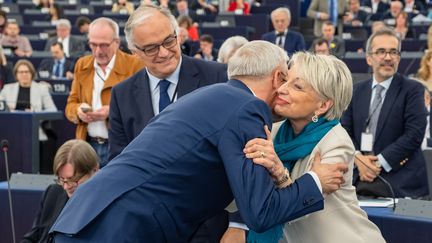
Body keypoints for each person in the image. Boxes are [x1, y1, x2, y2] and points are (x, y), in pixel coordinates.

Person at [50, 40, 348, 243]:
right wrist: (314, 182)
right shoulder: (247, 108)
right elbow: (261, 212)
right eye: (287, 82)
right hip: (119, 230)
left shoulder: (210, 96)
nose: (285, 91)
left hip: (86, 220)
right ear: (277, 76)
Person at [235, 52, 385, 243]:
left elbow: (299, 210)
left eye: (297, 86)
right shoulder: (273, 131)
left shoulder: (336, 142)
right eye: (286, 80)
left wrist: (279, 171)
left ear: (322, 105)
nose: (281, 89)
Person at [341, 28, 429, 198]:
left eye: (393, 52)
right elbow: (344, 131)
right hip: (359, 178)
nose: (388, 57)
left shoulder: (413, 90)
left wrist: (377, 163)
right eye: (381, 52)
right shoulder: (356, 90)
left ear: (399, 57)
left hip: (401, 181)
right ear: (368, 58)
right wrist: (359, 160)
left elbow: (414, 134)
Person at [65, 17, 143, 167]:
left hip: (121, 147)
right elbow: (70, 105)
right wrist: (79, 110)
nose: (98, 51)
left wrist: (112, 111)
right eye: (93, 45)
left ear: (117, 42)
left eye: (104, 45)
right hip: (87, 146)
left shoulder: (134, 65)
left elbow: (142, 107)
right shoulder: (82, 64)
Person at [21, 139, 99, 243]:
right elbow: (34, 237)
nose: (66, 187)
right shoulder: (53, 192)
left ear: (94, 171)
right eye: (62, 179)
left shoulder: (106, 204)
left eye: (73, 180)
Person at [0, 60, 57, 173]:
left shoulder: (41, 89)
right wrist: (9, 110)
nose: (24, 74)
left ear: (32, 73)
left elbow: (53, 110)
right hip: (11, 132)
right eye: (21, 72)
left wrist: (35, 112)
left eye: (26, 72)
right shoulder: (7, 88)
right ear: (16, 74)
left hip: (35, 132)